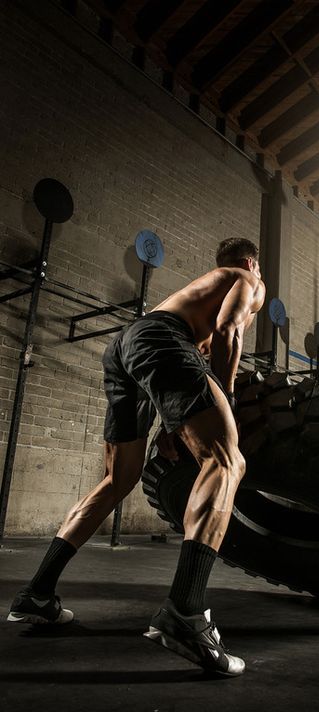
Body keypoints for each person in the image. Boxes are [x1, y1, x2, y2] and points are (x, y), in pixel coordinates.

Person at [8, 237, 265, 677]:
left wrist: (173, 425)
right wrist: (227, 397)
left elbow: (179, 374)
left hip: (125, 346)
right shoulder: (246, 279)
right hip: (160, 340)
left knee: (118, 479)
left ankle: (37, 593)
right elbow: (229, 331)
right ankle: (186, 612)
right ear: (249, 262)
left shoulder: (193, 295)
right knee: (226, 461)